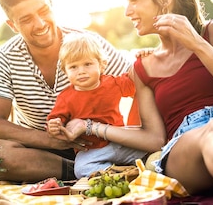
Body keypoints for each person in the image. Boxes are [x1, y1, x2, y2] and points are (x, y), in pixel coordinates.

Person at [58, 0, 213, 203]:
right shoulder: (143, 68)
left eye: (134, 1)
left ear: (164, 0)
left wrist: (198, 44)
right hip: (186, 147)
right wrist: (92, 127)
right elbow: (154, 138)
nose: (127, 11)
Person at [0, 0, 136, 183]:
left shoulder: (87, 43)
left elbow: (139, 85)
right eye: (26, 19)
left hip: (103, 145)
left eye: (43, 11)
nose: (40, 24)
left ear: (51, 5)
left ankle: (96, 167)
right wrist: (52, 141)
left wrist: (135, 133)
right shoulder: (5, 56)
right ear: (13, 25)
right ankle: (83, 172)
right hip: (42, 153)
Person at [46, 33, 148, 178]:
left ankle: (133, 168)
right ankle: (118, 173)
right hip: (92, 150)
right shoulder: (65, 98)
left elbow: (136, 79)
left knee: (150, 150)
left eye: (87, 64)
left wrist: (142, 59)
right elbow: (55, 121)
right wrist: (54, 125)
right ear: (65, 71)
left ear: (102, 65)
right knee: (81, 169)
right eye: (73, 67)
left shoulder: (113, 83)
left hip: (120, 142)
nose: (81, 71)